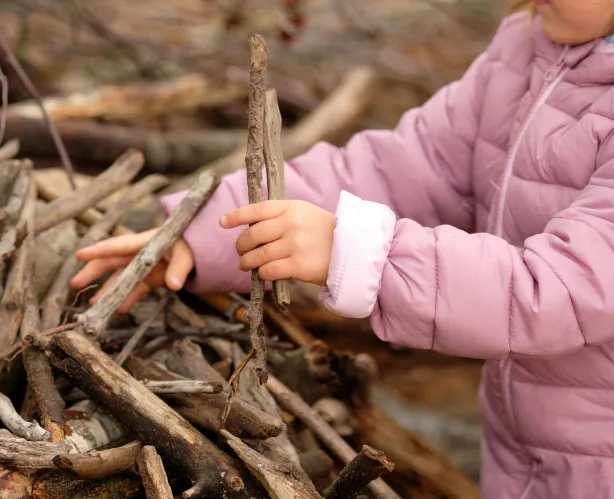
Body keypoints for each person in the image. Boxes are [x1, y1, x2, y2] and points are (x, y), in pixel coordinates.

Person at [71, 1, 614, 497]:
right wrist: (209, 229)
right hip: (526, 438)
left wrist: (352, 251)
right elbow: (404, 166)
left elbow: (565, 288)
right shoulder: (530, 49)